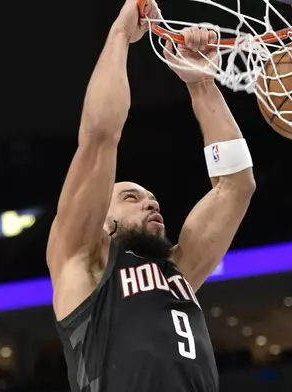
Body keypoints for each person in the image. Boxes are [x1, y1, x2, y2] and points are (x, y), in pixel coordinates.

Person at [46, 0, 256, 390]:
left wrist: (201, 83)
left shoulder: (179, 269)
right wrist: (121, 35)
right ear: (102, 222)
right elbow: (100, 137)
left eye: (151, 198)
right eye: (131, 197)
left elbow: (236, 185)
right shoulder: (83, 264)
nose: (151, 202)